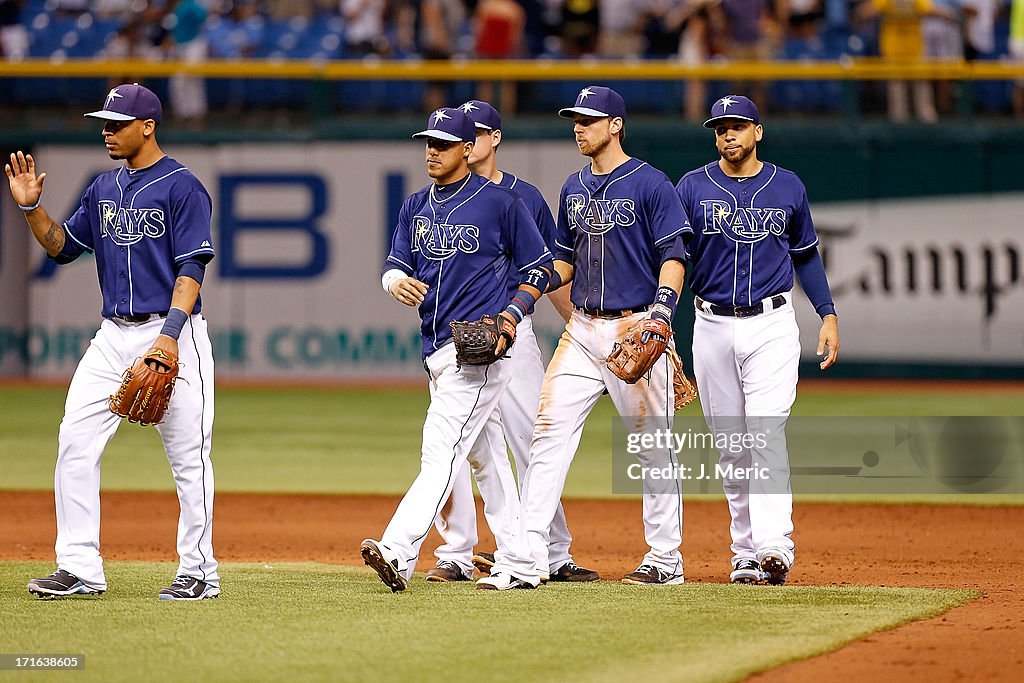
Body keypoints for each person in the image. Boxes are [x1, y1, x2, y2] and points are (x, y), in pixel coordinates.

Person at [6, 84, 219, 600]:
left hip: (172, 332)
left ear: (147, 126)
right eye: (103, 122)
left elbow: (191, 268)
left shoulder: (183, 186)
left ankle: (198, 572)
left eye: (117, 123)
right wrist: (32, 209)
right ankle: (79, 567)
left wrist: (168, 339)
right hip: (111, 335)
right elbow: (62, 248)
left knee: (188, 457)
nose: (107, 131)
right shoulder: (103, 187)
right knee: (75, 442)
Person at [362, 106, 552, 592]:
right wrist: (394, 282)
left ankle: (398, 549)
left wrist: (510, 317)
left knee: (440, 448)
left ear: (468, 150)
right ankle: (523, 561)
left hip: (479, 354)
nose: (432, 150)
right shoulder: (414, 207)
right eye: (428, 142)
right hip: (436, 350)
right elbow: (394, 262)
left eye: (443, 144)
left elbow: (539, 268)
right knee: (487, 461)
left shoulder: (500, 203)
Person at [518, 86, 690, 585]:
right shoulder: (572, 186)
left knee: (651, 445)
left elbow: (673, 257)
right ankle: (528, 555)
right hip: (582, 327)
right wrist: (522, 295)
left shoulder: (651, 184)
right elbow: (563, 264)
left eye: (589, 120)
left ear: (616, 125)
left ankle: (665, 559)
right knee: (546, 435)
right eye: (575, 119)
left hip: (635, 324)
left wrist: (660, 315)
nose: (579, 127)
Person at [422, 99, 599, 585]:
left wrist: (582, 332)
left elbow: (551, 271)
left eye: (476, 133)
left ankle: (552, 550)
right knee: (460, 448)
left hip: (511, 336)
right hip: (457, 341)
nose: (467, 141)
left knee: (532, 438)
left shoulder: (522, 197)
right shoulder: (434, 200)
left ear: (494, 138)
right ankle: (457, 552)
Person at [674, 95, 840, 585]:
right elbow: (673, 258)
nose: (729, 135)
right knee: (730, 447)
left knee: (764, 434)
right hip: (710, 324)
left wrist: (827, 314)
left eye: (738, 126)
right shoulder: (692, 187)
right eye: (721, 127)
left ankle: (774, 547)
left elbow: (806, 256)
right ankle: (745, 552)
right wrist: (659, 318)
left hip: (771, 324)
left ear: (757, 132)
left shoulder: (786, 185)